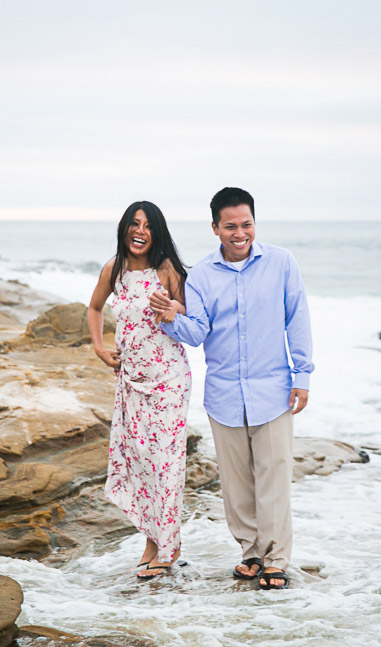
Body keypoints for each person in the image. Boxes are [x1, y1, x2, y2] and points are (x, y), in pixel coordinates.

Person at [150, 187, 313, 590]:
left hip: (273, 390)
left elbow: (298, 319)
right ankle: (251, 553)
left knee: (274, 477)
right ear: (215, 228)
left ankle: (276, 558)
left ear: (254, 223)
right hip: (224, 394)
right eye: (230, 227)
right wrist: (172, 317)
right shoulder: (202, 275)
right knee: (236, 483)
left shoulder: (282, 263)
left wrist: (302, 376)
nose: (240, 233)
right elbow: (198, 331)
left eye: (246, 225)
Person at [88, 200, 191, 580]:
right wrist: (99, 348)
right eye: (134, 223)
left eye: (148, 225)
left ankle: (170, 544)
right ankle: (152, 543)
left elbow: (193, 317)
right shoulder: (113, 270)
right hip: (130, 380)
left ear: (157, 232)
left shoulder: (167, 271)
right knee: (140, 462)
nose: (140, 231)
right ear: (124, 228)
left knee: (165, 463)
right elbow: (95, 308)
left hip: (168, 381)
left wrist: (174, 310)